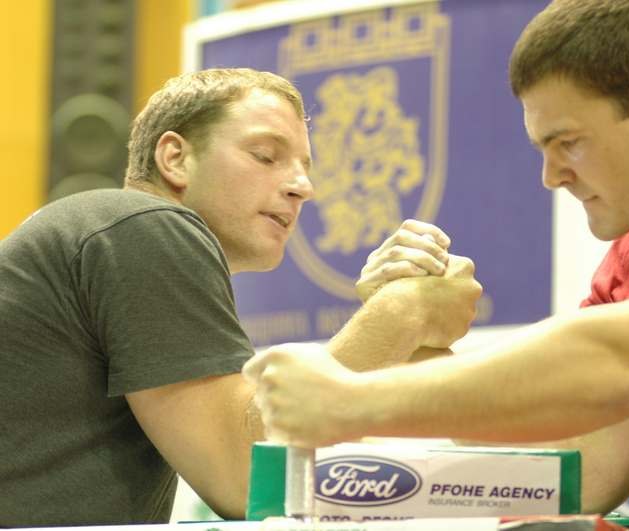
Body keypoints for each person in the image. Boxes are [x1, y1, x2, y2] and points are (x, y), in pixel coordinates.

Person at [243, 1, 629, 529]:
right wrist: (417, 333)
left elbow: (628, 358)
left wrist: (350, 403)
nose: (551, 177)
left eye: (569, 143)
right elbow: (572, 471)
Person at [0, 68, 482, 526]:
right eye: (266, 156)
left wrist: (404, 325)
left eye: (305, 169)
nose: (303, 187)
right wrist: (404, 312)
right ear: (175, 158)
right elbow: (248, 477)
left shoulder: (109, 236)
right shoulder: (143, 226)